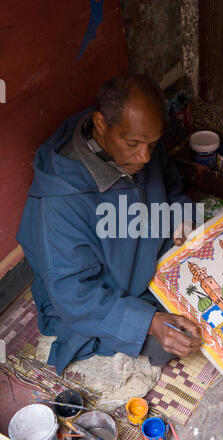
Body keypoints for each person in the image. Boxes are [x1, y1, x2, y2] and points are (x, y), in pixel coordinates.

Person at [17, 74, 202, 375]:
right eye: (134, 144)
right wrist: (149, 322)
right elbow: (73, 294)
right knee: (184, 338)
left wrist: (183, 219)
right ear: (101, 124)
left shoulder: (138, 139)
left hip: (152, 256)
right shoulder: (59, 202)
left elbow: (171, 184)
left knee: (218, 292)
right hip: (99, 295)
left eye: (152, 144)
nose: (144, 156)